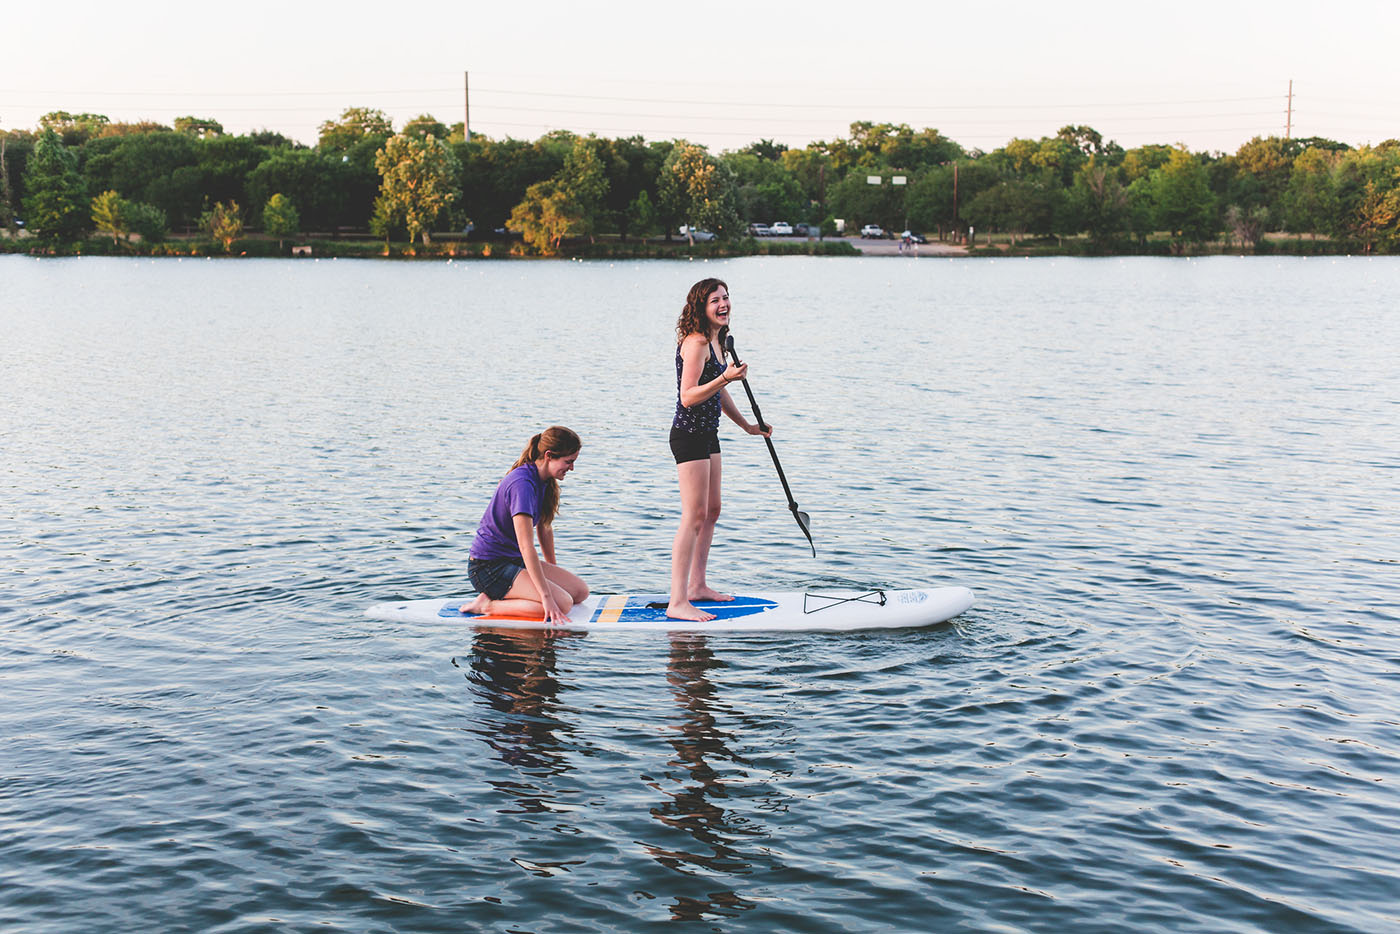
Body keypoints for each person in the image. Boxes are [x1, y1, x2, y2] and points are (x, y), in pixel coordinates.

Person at [667, 279, 771, 622]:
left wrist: (747, 427)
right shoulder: (696, 342)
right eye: (716, 300)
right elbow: (689, 396)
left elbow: (718, 392)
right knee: (693, 515)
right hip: (688, 435)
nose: (724, 304)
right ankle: (677, 600)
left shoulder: (718, 340)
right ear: (701, 306)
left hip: (709, 435)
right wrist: (726, 377)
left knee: (712, 510)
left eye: (726, 298)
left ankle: (698, 586)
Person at [462, 427, 589, 625]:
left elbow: (545, 528)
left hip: (513, 560)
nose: (571, 468)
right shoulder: (522, 484)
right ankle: (486, 605)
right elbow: (526, 546)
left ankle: (513, 595)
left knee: (580, 592)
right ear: (549, 456)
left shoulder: (544, 480)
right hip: (488, 568)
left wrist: (553, 570)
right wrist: (547, 597)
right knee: (562, 603)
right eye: (569, 461)